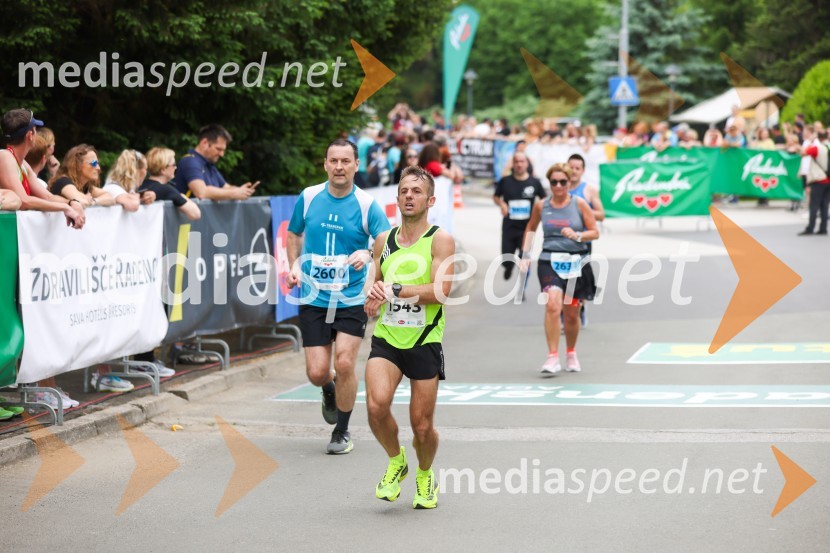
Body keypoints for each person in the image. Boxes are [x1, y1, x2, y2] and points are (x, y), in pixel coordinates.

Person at [286, 138, 391, 454]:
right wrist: (293, 264)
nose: (339, 166)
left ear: (357, 165)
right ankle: (328, 390)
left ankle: (342, 431)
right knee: (317, 372)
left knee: (345, 362)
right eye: (334, 160)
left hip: (351, 297)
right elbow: (293, 233)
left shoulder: (366, 205)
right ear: (325, 164)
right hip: (314, 294)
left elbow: (385, 243)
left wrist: (366, 254)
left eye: (346, 161)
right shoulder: (308, 197)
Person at [364, 165, 454, 509]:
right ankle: (395, 461)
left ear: (430, 200)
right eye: (403, 191)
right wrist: (373, 299)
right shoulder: (383, 241)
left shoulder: (440, 239)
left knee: (421, 424)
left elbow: (441, 291)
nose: (409, 196)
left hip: (424, 339)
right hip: (388, 337)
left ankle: (425, 473)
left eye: (416, 191)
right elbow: (376, 289)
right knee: (375, 405)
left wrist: (397, 289)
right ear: (396, 197)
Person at [521, 163, 599, 375]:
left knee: (572, 313)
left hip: (575, 261)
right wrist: (525, 255)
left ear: (568, 182)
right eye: (553, 182)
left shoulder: (580, 203)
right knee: (553, 306)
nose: (558, 186)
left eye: (562, 182)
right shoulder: (541, 205)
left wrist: (578, 235)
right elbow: (530, 228)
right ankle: (552, 357)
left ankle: (571, 352)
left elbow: (595, 231)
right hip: (549, 260)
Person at [0, 109, 85, 228]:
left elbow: (48, 197)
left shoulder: (22, 163)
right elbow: (24, 201)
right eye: (35, 130)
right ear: (29, 136)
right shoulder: (5, 156)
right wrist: (65, 207)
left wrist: (71, 203)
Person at [493, 151, 545, 281]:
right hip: (509, 226)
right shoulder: (505, 181)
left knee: (524, 258)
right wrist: (502, 204)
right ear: (513, 164)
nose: (519, 164)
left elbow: (544, 199)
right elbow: (495, 196)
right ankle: (508, 267)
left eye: (522, 161)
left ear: (527, 163)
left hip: (527, 227)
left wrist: (537, 209)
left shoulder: (534, 182)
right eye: (516, 162)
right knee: (507, 258)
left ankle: (521, 289)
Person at [173, 124, 258, 200]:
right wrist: (235, 193)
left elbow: (225, 188)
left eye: (223, 150)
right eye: (218, 149)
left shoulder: (209, 165)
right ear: (204, 143)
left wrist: (242, 190)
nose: (222, 154)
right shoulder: (190, 161)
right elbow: (201, 192)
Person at [140, 148, 202, 220]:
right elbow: (196, 214)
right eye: (174, 165)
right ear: (163, 170)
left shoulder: (140, 185)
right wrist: (181, 196)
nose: (176, 167)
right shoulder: (167, 190)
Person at [50, 144, 117, 208]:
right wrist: (86, 199)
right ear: (78, 165)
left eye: (98, 163)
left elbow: (110, 197)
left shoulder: (85, 186)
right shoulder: (63, 182)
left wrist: (94, 201)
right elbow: (81, 201)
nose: (98, 168)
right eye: (94, 163)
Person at [799, 130, 830, 236]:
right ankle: (823, 228)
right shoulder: (829, 147)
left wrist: (810, 141)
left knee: (814, 205)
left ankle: (810, 228)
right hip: (828, 180)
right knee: (825, 205)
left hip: (819, 179)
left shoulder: (817, 148)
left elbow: (803, 152)